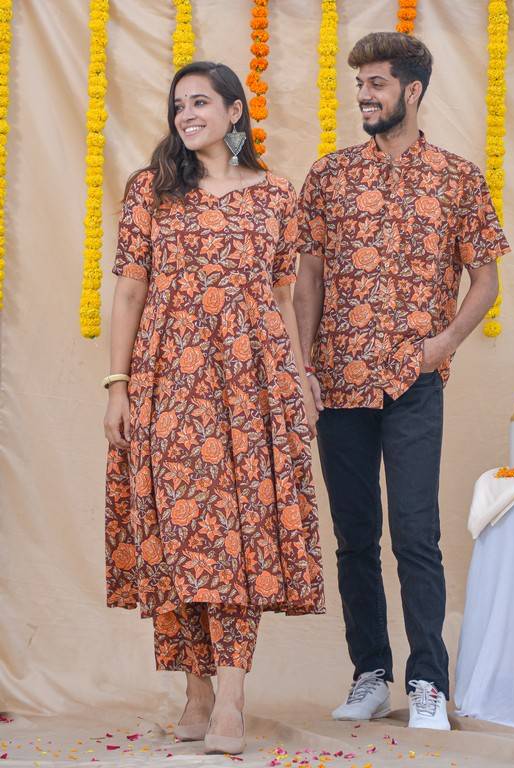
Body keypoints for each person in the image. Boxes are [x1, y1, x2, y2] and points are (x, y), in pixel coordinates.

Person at [103, 60, 324, 756]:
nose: (186, 114)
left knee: (241, 537)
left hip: (253, 385)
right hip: (169, 383)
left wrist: (300, 378)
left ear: (236, 112)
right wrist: (117, 385)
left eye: (201, 102)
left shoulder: (275, 196)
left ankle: (230, 698)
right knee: (181, 537)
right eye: (178, 106)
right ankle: (196, 686)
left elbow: (284, 299)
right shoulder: (152, 192)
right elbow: (132, 293)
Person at [294, 32, 510, 730]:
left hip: (414, 382)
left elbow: (487, 276)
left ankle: (427, 683)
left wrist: (444, 342)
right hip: (338, 383)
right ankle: (370, 675)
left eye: (377, 85)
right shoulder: (328, 177)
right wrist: (303, 367)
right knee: (355, 536)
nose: (365, 96)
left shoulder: (458, 177)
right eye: (360, 85)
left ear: (411, 91)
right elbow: (310, 279)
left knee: (416, 535)